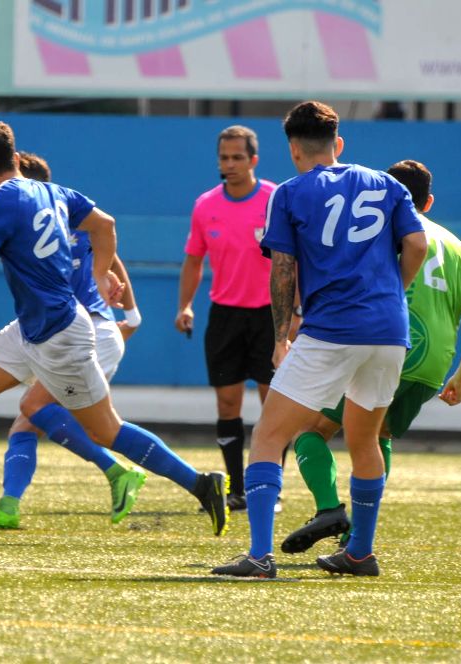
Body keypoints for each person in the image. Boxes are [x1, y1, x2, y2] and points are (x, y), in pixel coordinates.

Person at [0, 119, 229, 537]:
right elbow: (106, 225)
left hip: (61, 335)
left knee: (106, 430)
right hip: (34, 328)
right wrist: (100, 273)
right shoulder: (52, 191)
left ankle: (200, 483)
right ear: (14, 156)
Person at [211, 101, 427, 578]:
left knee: (268, 436)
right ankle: (359, 553)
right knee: (366, 439)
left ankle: (260, 556)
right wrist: (397, 292)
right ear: (339, 143)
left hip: (331, 330)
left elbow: (283, 268)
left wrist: (280, 335)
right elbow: (417, 245)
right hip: (389, 331)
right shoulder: (387, 184)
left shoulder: (288, 194)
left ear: (293, 149)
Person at [281, 159, 461, 554]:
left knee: (311, 432)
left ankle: (329, 509)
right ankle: (356, 540)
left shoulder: (379, 231)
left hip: (378, 341)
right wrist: (460, 378)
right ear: (427, 201)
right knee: (379, 437)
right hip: (430, 367)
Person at [0, 152, 148, 529]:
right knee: (27, 420)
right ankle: (8, 505)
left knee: (86, 424)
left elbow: (108, 248)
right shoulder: (67, 216)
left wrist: (128, 311)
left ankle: (133, 473)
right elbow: (108, 246)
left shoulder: (48, 220)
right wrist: (130, 310)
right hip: (56, 331)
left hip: (81, 331)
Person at [175, 125, 278, 511]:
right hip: (225, 317)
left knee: (273, 408)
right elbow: (193, 259)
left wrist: (297, 311)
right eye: (224, 157)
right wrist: (185, 305)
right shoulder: (206, 205)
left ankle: (269, 488)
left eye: (237, 157)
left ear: (253, 160)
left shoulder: (274, 200)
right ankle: (236, 489)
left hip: (271, 316)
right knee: (228, 405)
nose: (229, 164)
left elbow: (294, 261)